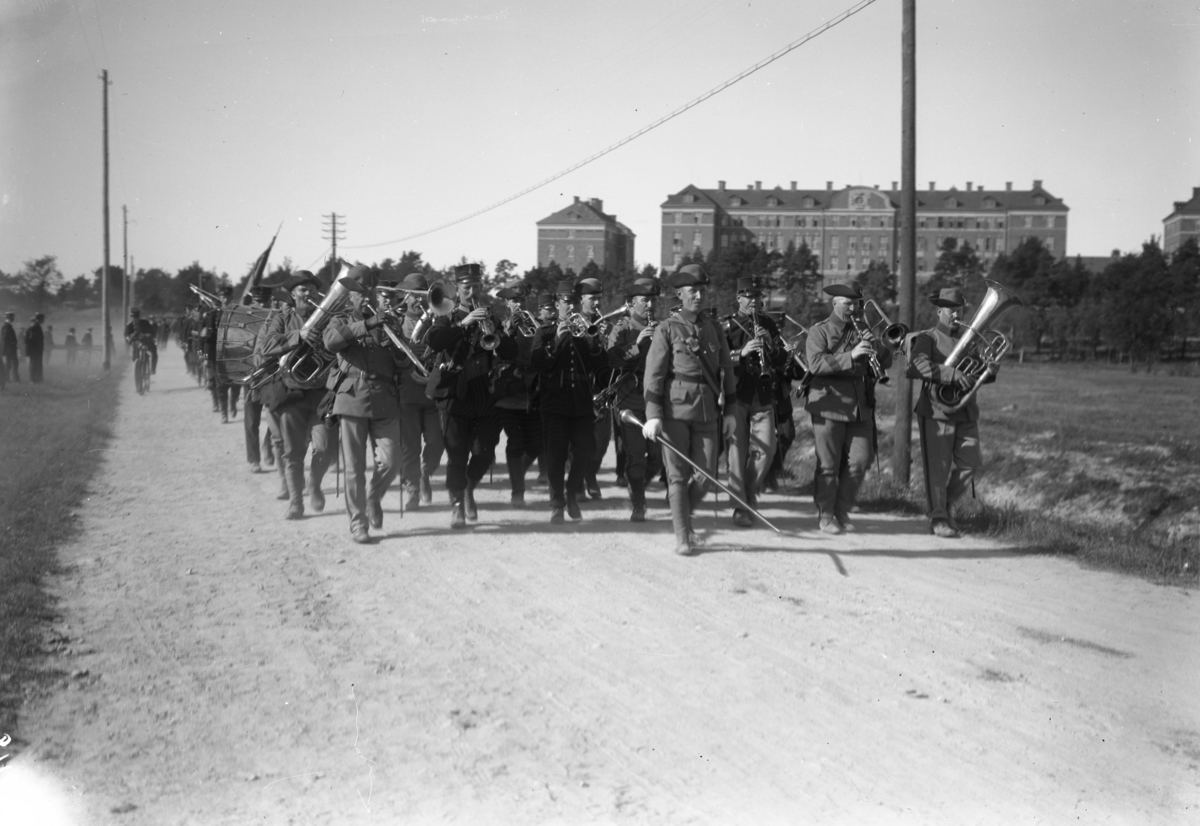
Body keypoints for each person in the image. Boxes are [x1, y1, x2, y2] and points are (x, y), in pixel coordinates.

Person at [642, 264, 735, 555]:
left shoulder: (713, 327)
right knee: (677, 476)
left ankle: (681, 516)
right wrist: (653, 415)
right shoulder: (666, 329)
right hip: (674, 411)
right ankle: (683, 535)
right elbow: (654, 374)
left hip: (708, 409)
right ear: (680, 295)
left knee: (707, 474)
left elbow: (726, 370)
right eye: (693, 291)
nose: (698, 295)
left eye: (702, 290)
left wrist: (730, 409)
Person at [427, 263, 517, 529]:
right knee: (456, 454)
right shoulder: (447, 315)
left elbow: (511, 353)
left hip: (483, 393)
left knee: (485, 453)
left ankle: (467, 488)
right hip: (456, 393)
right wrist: (464, 324)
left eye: (477, 287)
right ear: (458, 289)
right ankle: (457, 505)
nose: (473, 292)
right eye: (468, 288)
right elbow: (434, 342)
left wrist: (496, 332)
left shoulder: (490, 317)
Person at [803, 283, 894, 535]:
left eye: (856, 304)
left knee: (862, 460)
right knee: (829, 465)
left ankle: (842, 509)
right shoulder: (819, 331)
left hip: (859, 405)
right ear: (834, 303)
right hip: (829, 404)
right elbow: (815, 365)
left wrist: (878, 346)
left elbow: (886, 361)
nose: (852, 308)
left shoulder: (863, 329)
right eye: (847, 303)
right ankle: (827, 513)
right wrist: (851, 356)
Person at [322, 266, 402, 544]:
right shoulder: (338, 320)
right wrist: (366, 325)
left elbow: (401, 359)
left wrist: (391, 328)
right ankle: (358, 523)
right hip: (351, 398)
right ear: (349, 296)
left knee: (392, 461)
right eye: (358, 293)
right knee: (354, 468)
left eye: (368, 292)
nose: (363, 298)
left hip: (384, 398)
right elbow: (331, 342)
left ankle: (373, 498)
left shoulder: (387, 319)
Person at [906, 287, 994, 538]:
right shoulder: (927, 338)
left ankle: (946, 506)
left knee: (971, 463)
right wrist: (952, 374)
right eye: (950, 311)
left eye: (958, 310)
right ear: (939, 311)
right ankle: (938, 518)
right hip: (936, 412)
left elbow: (978, 377)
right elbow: (917, 366)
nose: (955, 315)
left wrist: (990, 369)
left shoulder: (972, 340)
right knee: (938, 469)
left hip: (965, 412)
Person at [531, 282, 608, 524]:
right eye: (566, 302)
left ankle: (572, 491)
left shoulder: (585, 332)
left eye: (574, 302)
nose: (571, 306)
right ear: (557, 305)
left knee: (586, 449)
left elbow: (602, 372)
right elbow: (537, 362)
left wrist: (596, 344)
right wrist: (555, 340)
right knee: (555, 455)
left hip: (581, 402)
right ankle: (556, 504)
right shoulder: (544, 332)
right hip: (554, 401)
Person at [260, 271, 334, 521]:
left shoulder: (327, 317)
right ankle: (295, 503)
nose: (309, 293)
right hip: (292, 392)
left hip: (321, 394)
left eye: (312, 289)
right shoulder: (282, 318)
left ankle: (314, 483)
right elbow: (266, 347)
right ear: (292, 295)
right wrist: (297, 337)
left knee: (324, 448)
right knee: (292, 453)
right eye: (303, 289)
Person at [722, 276, 791, 528]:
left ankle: (748, 496)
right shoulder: (727, 326)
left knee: (767, 450)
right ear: (738, 298)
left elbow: (783, 359)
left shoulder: (768, 324)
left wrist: (771, 346)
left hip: (762, 395)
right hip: (736, 395)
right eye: (749, 297)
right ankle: (740, 507)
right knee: (736, 452)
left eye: (758, 296)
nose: (754, 301)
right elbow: (717, 360)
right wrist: (741, 353)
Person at [605, 277, 663, 522]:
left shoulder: (663, 327)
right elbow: (611, 360)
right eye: (644, 300)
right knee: (636, 454)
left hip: (657, 400)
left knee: (659, 458)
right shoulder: (622, 328)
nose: (649, 305)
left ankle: (635, 485)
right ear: (631, 303)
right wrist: (638, 344)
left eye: (652, 300)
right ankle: (638, 503)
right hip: (629, 399)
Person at [393, 272, 445, 509]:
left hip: (433, 393)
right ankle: (412, 488)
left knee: (436, 442)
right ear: (404, 298)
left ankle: (425, 472)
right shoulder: (395, 324)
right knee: (410, 446)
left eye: (422, 296)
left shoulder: (438, 321)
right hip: (407, 393)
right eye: (413, 297)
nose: (419, 301)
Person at [494, 282, 542, 508]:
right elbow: (495, 350)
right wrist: (510, 330)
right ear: (507, 303)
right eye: (515, 300)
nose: (519, 304)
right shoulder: (502, 327)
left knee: (536, 443)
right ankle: (518, 490)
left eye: (522, 300)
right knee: (516, 441)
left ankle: (516, 476)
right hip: (510, 389)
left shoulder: (536, 324)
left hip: (533, 389)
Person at [576, 277, 611, 499]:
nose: (596, 303)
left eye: (599, 298)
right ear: (581, 300)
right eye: (592, 299)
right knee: (579, 440)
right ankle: (579, 481)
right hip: (579, 388)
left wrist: (608, 337)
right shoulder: (574, 321)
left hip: (601, 389)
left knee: (602, 441)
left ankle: (590, 474)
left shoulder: (605, 322)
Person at [242, 285, 278, 473]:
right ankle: (254, 460)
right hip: (251, 376)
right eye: (257, 301)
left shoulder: (276, 318)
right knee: (251, 420)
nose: (261, 304)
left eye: (265, 301)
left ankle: (268, 444)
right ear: (252, 301)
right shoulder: (242, 322)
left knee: (276, 417)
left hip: (272, 376)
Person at [124, 308, 159, 374]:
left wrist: (149, 334)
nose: (135, 318)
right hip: (135, 343)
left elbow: (152, 332)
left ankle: (152, 369)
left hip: (146, 342)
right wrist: (129, 338)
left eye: (136, 316)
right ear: (131, 317)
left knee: (154, 352)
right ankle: (137, 367)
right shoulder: (129, 325)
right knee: (134, 356)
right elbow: (126, 334)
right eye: (134, 317)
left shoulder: (145, 323)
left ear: (139, 316)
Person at [24, 314, 45, 384]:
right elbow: (31, 339)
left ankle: (37, 379)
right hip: (35, 350)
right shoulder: (34, 327)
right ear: (39, 319)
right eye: (42, 319)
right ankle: (33, 380)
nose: (43, 320)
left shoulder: (36, 326)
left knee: (36, 364)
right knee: (33, 364)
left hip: (37, 350)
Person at [1, 311, 18, 382]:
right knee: (13, 363)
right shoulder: (7, 326)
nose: (13, 318)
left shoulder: (7, 325)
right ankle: (14, 379)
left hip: (9, 348)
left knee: (9, 364)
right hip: (10, 349)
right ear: (8, 317)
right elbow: (5, 338)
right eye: (12, 317)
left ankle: (7, 378)